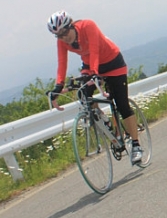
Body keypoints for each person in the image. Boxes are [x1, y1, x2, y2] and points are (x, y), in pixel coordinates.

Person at [46, 11, 144, 165]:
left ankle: (136, 145)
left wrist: (95, 73)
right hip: (90, 65)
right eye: (59, 36)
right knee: (83, 94)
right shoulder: (62, 42)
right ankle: (104, 120)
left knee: (122, 104)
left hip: (112, 63)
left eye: (65, 32)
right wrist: (58, 86)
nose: (64, 38)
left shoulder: (87, 25)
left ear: (71, 25)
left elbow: (95, 50)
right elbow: (62, 63)